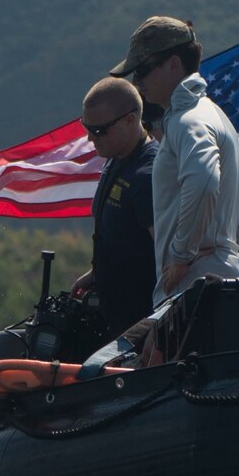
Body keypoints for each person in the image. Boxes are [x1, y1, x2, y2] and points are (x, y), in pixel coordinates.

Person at [110, 15, 239, 307]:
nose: (137, 83)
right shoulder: (212, 114)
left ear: (174, 65)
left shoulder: (188, 121)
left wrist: (181, 256)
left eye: (143, 70)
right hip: (218, 280)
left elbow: (203, 180)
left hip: (196, 289)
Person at [70, 77, 157, 339]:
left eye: (99, 130)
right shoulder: (116, 159)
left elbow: (169, 262)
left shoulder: (148, 175)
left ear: (130, 120)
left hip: (139, 329)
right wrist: (95, 274)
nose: (90, 138)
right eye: (87, 127)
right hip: (110, 322)